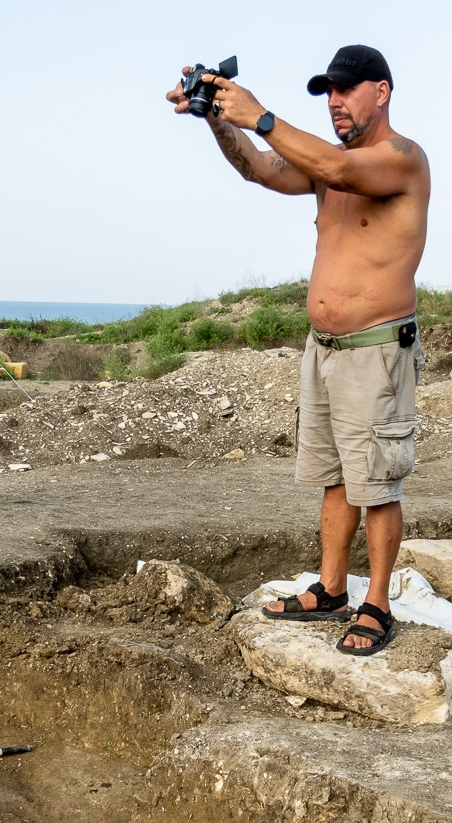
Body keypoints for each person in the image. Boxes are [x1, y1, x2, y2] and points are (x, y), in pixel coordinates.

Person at [170, 46, 430, 656]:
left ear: (381, 91)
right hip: (325, 350)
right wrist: (218, 117)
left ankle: (379, 604)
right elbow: (260, 169)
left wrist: (259, 113)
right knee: (335, 477)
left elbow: (338, 171)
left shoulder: (401, 159)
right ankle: (333, 588)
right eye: (327, 93)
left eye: (345, 90)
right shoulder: (325, 162)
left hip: (377, 352)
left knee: (378, 484)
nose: (335, 102)